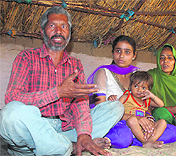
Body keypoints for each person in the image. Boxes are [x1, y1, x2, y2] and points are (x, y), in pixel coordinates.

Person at [0, 6, 124, 156]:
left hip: (66, 129)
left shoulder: (75, 64)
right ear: (42, 31)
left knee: (116, 107)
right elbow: (12, 98)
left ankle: (61, 144)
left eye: (64, 26)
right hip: (35, 127)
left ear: (69, 33)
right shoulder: (26, 58)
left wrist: (83, 134)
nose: (58, 31)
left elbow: (81, 106)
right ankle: (69, 147)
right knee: (10, 115)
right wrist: (57, 92)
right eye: (52, 26)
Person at [87, 35, 176, 148]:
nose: (122, 55)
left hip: (138, 122)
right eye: (118, 51)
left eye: (127, 52)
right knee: (123, 137)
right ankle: (139, 139)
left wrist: (148, 119)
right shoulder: (103, 73)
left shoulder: (138, 74)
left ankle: (140, 138)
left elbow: (146, 103)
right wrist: (137, 119)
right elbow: (101, 109)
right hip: (115, 122)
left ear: (134, 55)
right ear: (112, 52)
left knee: (173, 132)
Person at [118, 71, 166, 148]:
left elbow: (161, 104)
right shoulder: (126, 97)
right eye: (136, 86)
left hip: (143, 128)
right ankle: (145, 142)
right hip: (128, 125)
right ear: (130, 86)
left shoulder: (146, 100)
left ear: (148, 90)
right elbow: (116, 111)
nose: (139, 90)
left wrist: (151, 95)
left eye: (143, 88)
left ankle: (151, 140)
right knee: (132, 119)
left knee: (162, 122)